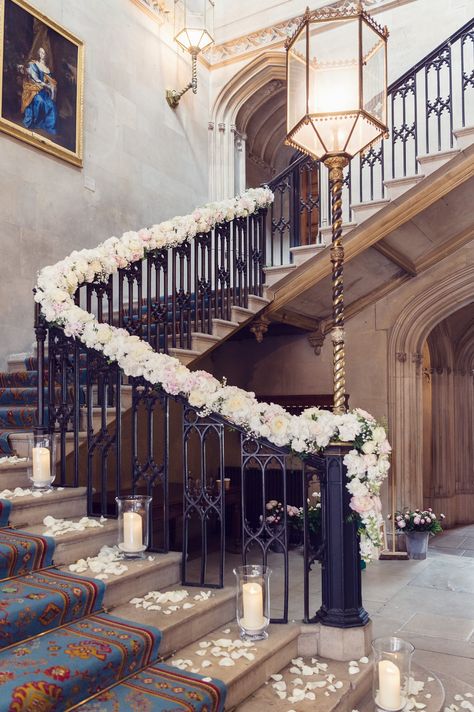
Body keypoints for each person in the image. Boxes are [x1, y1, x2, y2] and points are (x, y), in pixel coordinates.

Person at [21, 47, 57, 135]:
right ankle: (34, 122)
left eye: (44, 53)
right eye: (41, 53)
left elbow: (51, 84)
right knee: (39, 101)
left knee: (52, 106)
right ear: (38, 54)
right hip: (35, 89)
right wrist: (47, 86)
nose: (42, 55)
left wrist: (52, 91)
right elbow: (35, 79)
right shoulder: (34, 64)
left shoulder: (47, 69)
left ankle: (47, 126)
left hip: (44, 92)